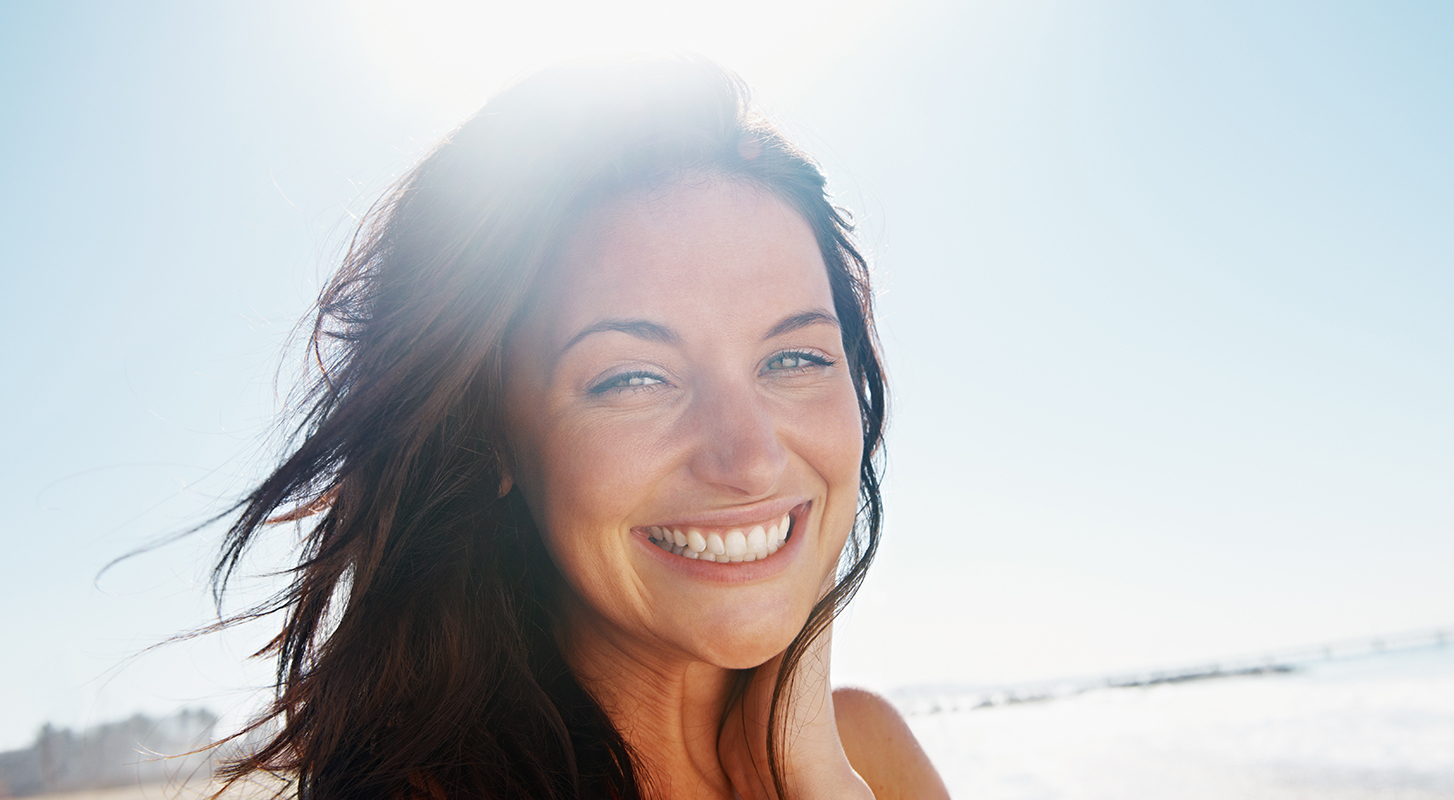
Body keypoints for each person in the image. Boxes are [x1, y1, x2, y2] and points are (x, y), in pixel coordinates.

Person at [209, 55, 949, 799]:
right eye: (632, 378)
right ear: (491, 433)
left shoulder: (865, 754)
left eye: (794, 357)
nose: (750, 460)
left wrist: (820, 774)